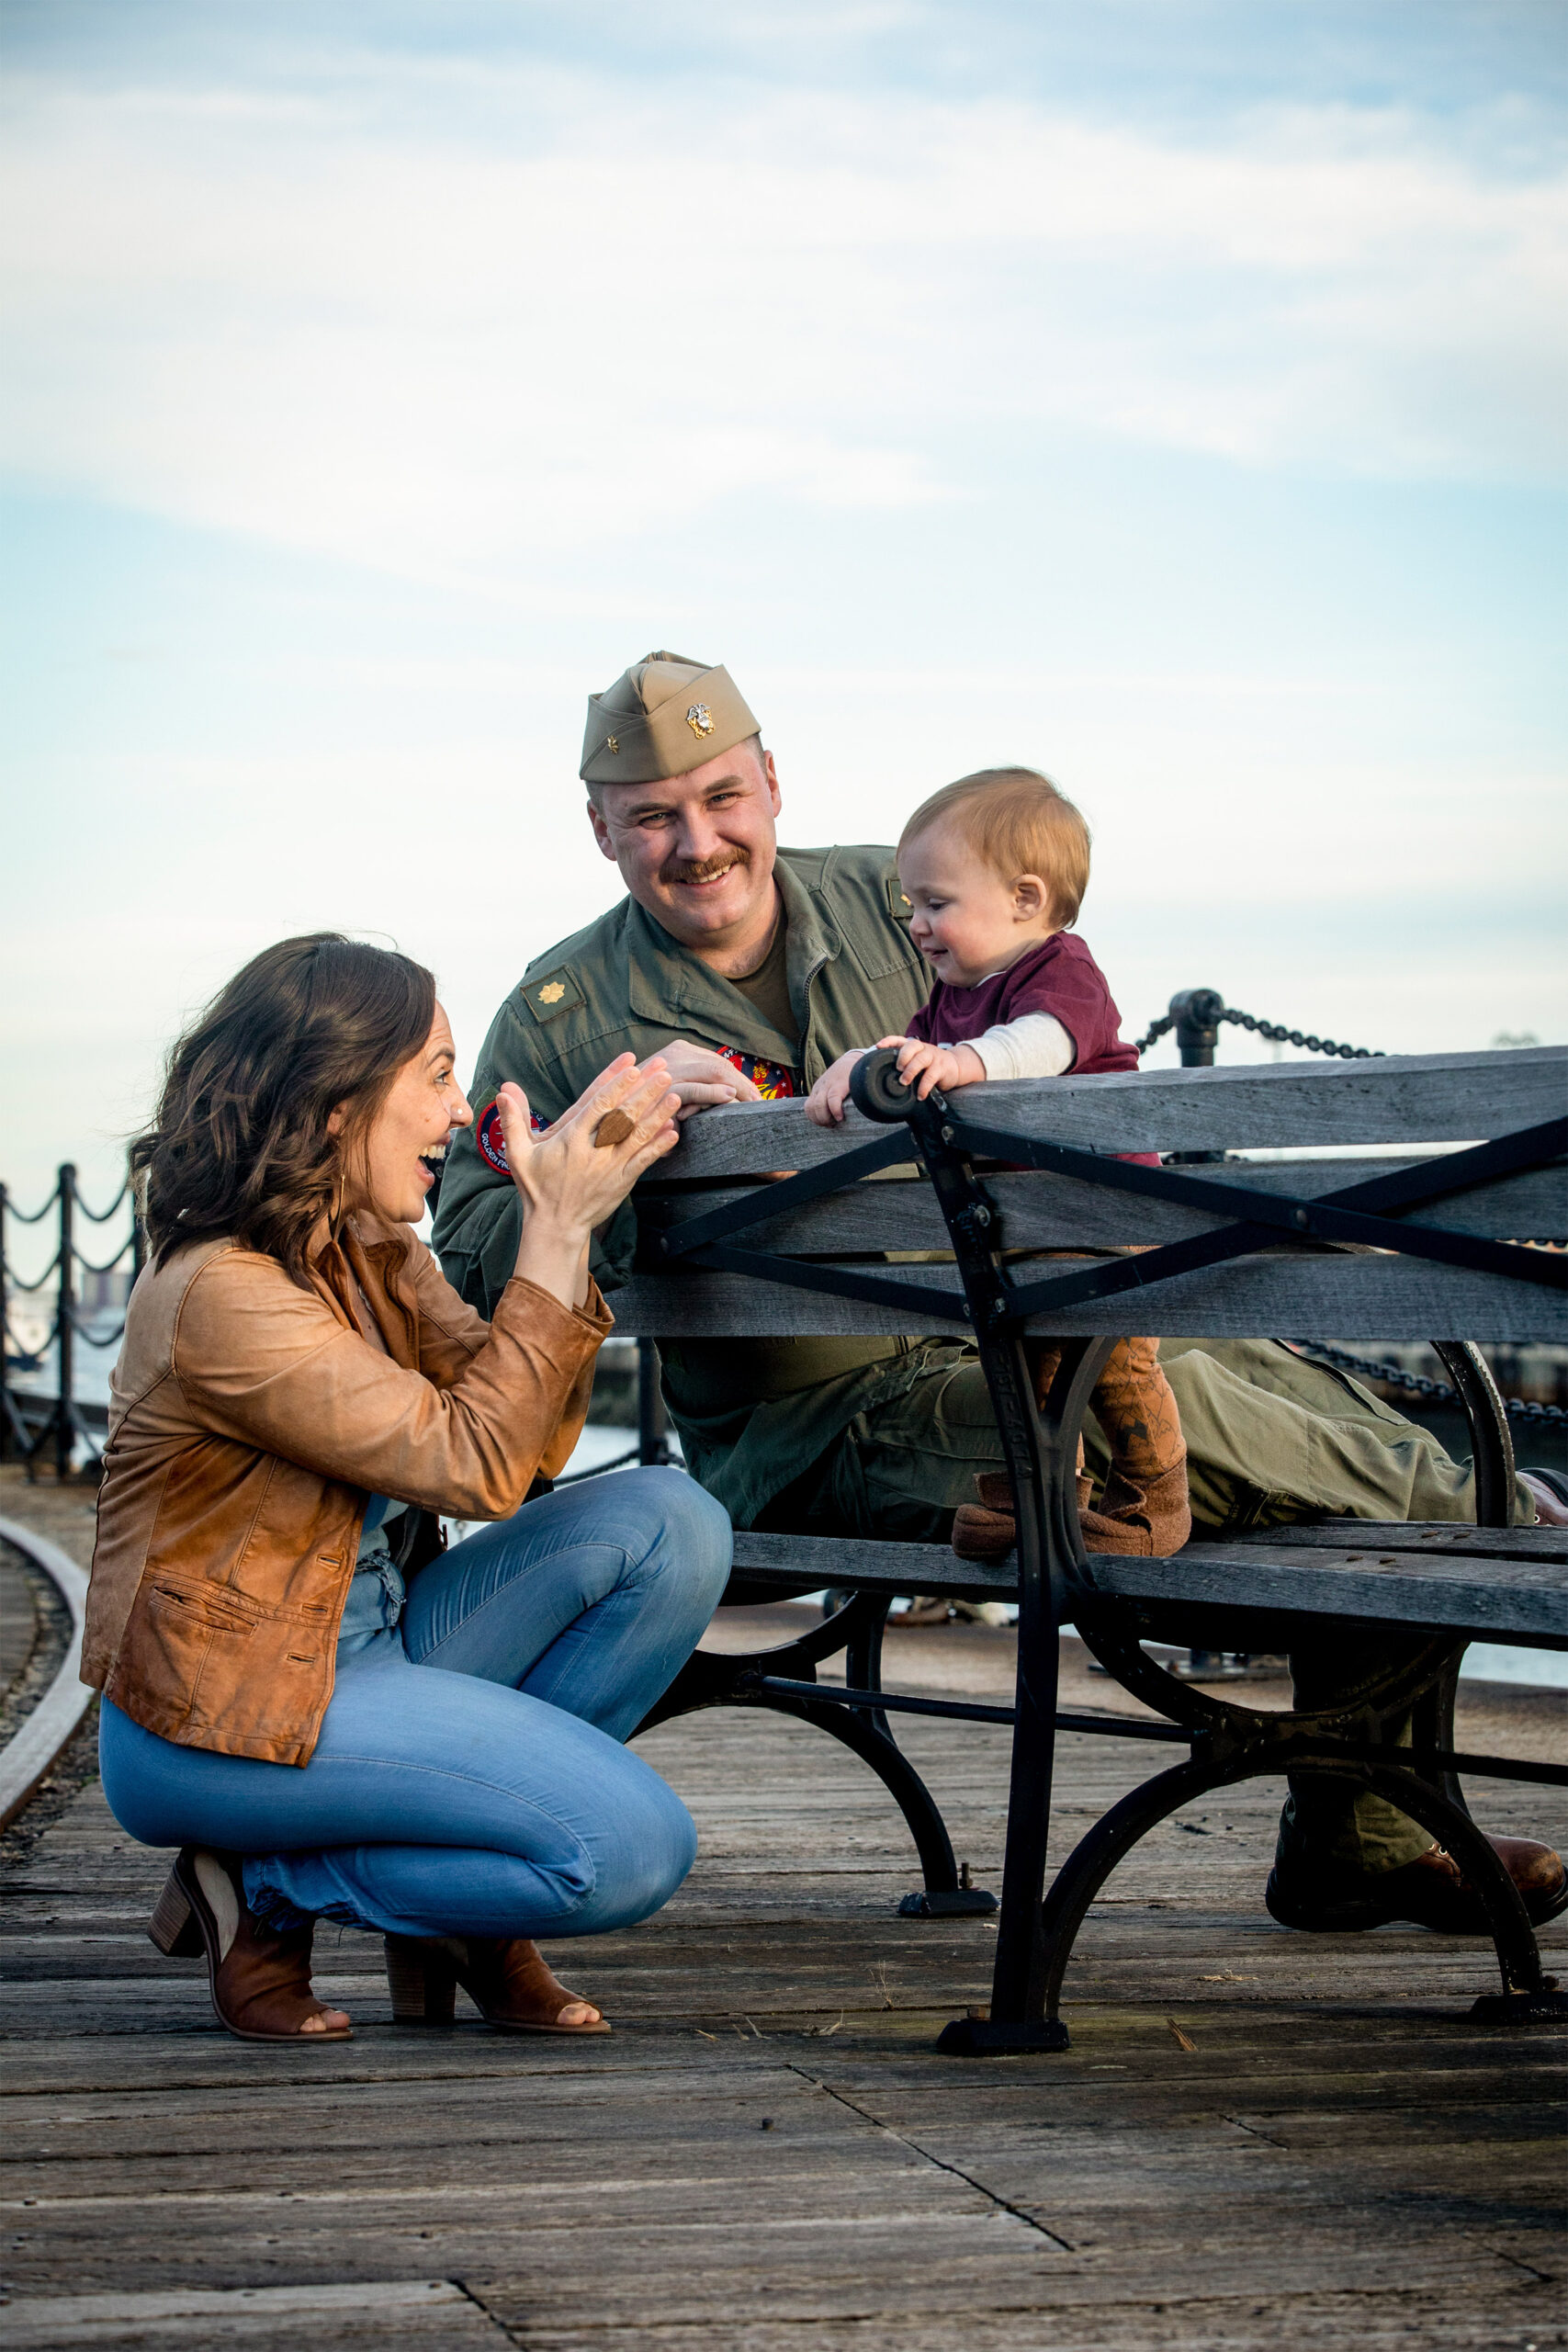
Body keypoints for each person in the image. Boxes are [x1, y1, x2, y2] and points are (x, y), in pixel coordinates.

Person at [432, 649, 1566, 1937]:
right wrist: (607, 1131)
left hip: (1040, 1332)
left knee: (1297, 1415)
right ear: (599, 830)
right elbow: (468, 1250)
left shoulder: (900, 892)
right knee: (1321, 1460)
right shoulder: (562, 1011)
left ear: (771, 785)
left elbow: (1070, 1023)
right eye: (651, 816)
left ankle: (1362, 1821)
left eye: (720, 798)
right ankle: (1477, 1556)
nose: (697, 843)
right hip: (815, 1425)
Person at [85, 933, 731, 2044]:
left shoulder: (372, 1242)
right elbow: (472, 1465)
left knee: (671, 1523)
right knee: (625, 1850)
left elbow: (524, 1446)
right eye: (435, 1073)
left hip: (373, 1649)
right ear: (337, 1100)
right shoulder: (219, 1295)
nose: (459, 1106)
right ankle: (270, 1888)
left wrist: (567, 1208)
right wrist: (557, 1226)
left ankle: (453, 1906)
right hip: (219, 1714)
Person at [807, 764, 1190, 1563]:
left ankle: (1156, 1505)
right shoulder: (949, 1000)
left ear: (1024, 898)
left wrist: (966, 1063)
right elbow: (902, 1054)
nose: (916, 923)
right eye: (913, 904)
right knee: (1025, 1368)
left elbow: (1044, 1044)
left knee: (1113, 1366)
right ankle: (1043, 1496)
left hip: (1110, 1221)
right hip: (1028, 1236)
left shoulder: (1060, 970)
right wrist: (856, 1065)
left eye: (936, 904)